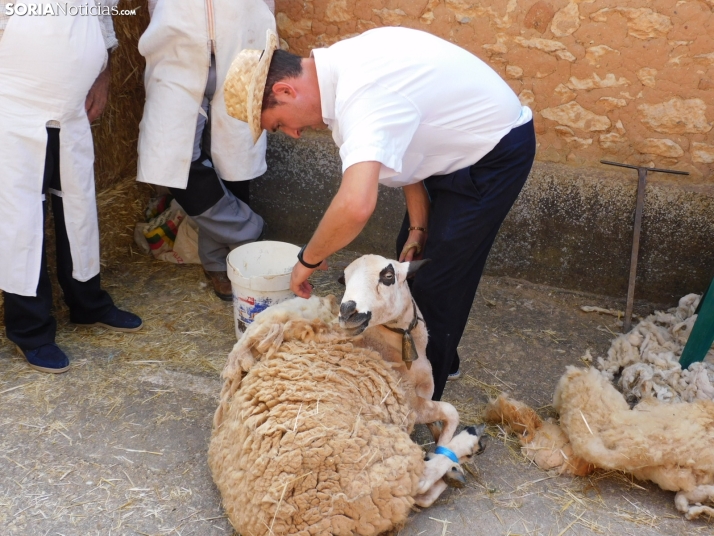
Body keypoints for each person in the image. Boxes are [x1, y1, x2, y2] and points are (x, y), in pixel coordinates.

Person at [223, 27, 536, 401]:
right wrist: (419, 224)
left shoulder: (361, 94)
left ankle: (418, 398)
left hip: (493, 150)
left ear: (285, 91)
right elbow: (407, 147)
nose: (292, 134)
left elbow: (355, 206)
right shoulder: (342, 75)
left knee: (439, 279)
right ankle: (431, 355)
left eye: (278, 123)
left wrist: (307, 259)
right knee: (407, 263)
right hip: (449, 149)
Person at [0, 1, 143, 374]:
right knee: (21, 219)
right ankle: (30, 330)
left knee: (79, 207)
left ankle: (88, 304)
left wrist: (102, 75)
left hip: (71, 108)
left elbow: (102, 16)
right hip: (14, 106)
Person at [136, 0, 276, 300]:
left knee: (237, 153)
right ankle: (247, 231)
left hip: (244, 36)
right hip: (175, 41)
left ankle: (222, 261)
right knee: (169, 155)